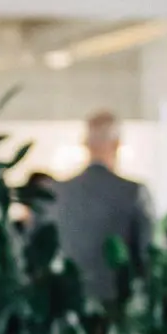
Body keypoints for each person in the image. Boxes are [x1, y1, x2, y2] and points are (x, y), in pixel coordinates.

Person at [43, 111, 154, 300]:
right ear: (117, 145)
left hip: (65, 308)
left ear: (85, 145)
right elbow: (147, 256)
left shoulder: (55, 193)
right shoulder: (133, 192)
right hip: (118, 309)